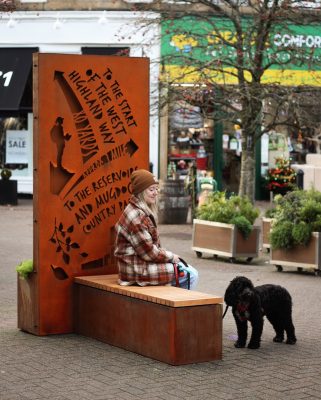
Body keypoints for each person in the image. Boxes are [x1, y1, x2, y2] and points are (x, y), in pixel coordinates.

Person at [114, 169, 198, 290]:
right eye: (151, 189)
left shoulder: (138, 210)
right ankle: (179, 306)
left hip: (138, 266)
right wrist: (171, 257)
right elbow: (149, 253)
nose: (155, 193)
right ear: (141, 191)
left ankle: (172, 302)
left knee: (185, 269)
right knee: (191, 274)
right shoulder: (136, 216)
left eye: (156, 189)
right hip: (136, 271)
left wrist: (169, 258)